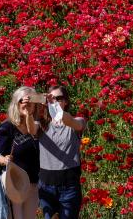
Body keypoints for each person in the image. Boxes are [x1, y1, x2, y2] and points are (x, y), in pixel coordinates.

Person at [0, 86, 45, 219]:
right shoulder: (7, 127)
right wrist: (4, 160)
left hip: (33, 184)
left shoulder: (37, 127)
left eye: (30, 101)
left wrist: (45, 100)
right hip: (14, 183)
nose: (26, 104)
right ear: (16, 103)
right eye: (22, 100)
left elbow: (33, 128)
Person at [38, 85, 87, 219]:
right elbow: (28, 127)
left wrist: (55, 107)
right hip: (46, 186)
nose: (55, 101)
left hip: (69, 187)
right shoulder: (42, 125)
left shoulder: (76, 122)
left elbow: (69, 120)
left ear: (66, 101)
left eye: (58, 98)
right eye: (52, 99)